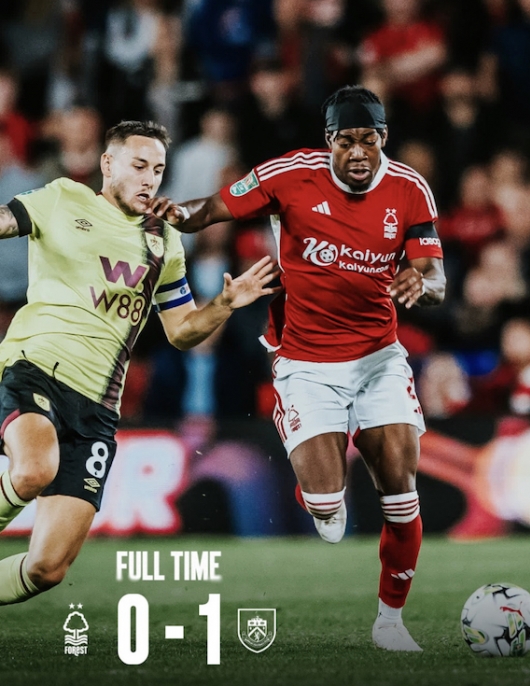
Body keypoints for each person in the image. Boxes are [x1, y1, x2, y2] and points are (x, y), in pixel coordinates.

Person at [156, 85, 446, 651]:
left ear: (384, 138)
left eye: (369, 140)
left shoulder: (410, 188)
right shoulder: (288, 175)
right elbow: (209, 209)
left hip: (379, 357)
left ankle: (390, 622)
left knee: (400, 492)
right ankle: (313, 473)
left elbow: (433, 276)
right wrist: (176, 214)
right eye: (346, 141)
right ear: (328, 141)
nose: (358, 152)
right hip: (306, 360)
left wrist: (422, 282)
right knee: (328, 511)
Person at [0, 119, 279, 605]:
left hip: (97, 410)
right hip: (37, 368)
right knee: (33, 471)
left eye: (158, 170)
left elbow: (182, 331)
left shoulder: (164, 242)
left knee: (47, 568)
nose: (150, 179)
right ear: (108, 164)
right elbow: (5, 220)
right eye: (139, 166)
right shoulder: (63, 198)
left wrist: (224, 304)